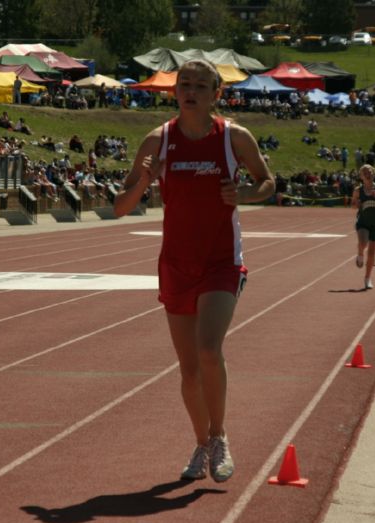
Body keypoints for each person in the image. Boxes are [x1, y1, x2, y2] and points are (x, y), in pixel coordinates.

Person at [113, 59, 274, 483]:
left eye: (200, 86)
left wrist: (244, 194)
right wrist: (145, 183)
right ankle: (201, 444)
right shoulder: (157, 141)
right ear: (174, 91)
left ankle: (219, 436)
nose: (190, 91)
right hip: (176, 264)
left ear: (215, 94)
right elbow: (119, 207)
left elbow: (267, 182)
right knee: (188, 371)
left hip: (221, 261)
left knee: (208, 350)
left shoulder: (233, 138)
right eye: (184, 84)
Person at [351, 164, 375, 289]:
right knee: (363, 242)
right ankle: (360, 253)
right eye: (364, 172)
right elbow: (353, 206)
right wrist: (357, 203)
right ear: (361, 176)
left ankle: (367, 278)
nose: (367, 173)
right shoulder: (358, 190)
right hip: (363, 222)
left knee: (372, 254)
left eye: (369, 171)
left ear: (373, 173)